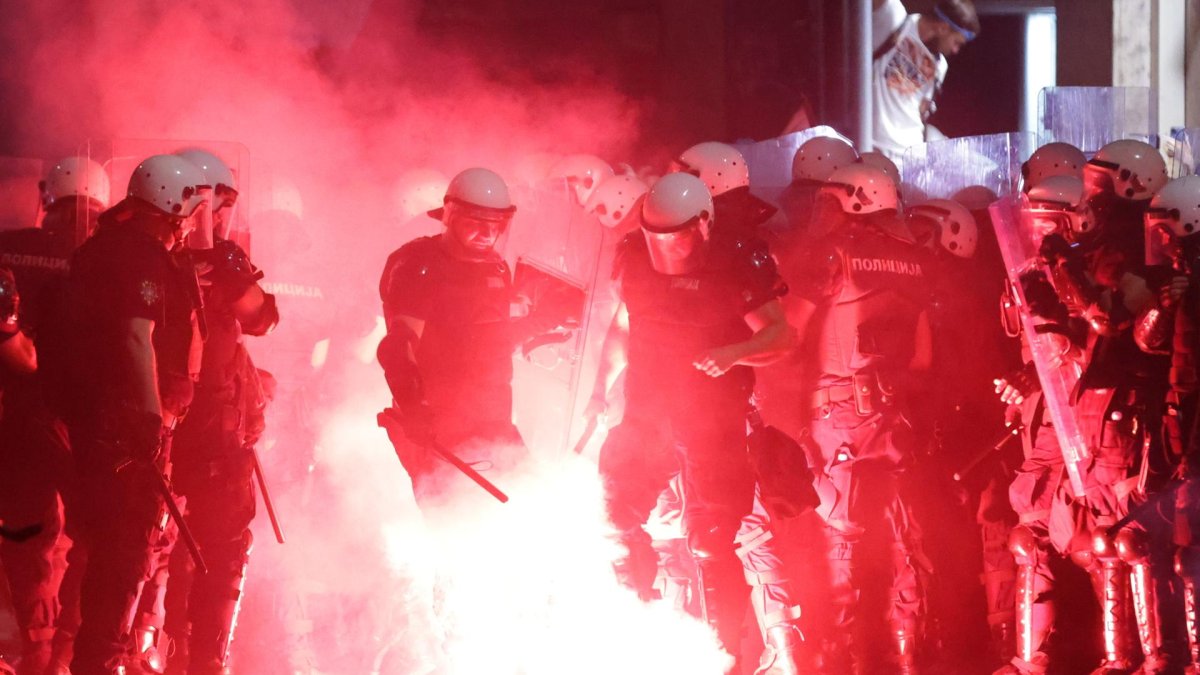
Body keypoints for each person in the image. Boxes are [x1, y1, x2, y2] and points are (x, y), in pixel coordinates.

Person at [592, 172, 795, 670]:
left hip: (714, 420)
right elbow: (624, 324)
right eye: (656, 238)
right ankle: (638, 639)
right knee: (616, 521)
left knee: (710, 541)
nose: (667, 249)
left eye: (676, 237)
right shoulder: (633, 257)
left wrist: (735, 353)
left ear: (703, 224)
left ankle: (725, 658)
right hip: (647, 413)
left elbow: (780, 336)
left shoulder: (738, 259)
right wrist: (598, 388)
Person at [63, 154, 209, 675]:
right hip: (125, 432)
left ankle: (90, 657)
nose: (189, 224)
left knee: (107, 551)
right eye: (185, 213)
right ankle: (98, 663)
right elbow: (136, 337)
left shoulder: (102, 249)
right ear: (168, 207)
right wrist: (148, 418)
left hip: (98, 425)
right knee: (124, 555)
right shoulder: (140, 259)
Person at [788, 163, 931, 673]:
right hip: (894, 416)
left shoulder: (836, 254)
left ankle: (850, 663)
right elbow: (922, 359)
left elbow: (787, 331)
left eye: (830, 201)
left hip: (840, 410)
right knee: (897, 537)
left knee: (842, 535)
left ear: (855, 203)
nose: (819, 211)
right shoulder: (914, 257)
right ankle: (904, 659)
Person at [146, 148, 277, 675]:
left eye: (223, 207)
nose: (218, 218)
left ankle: (207, 662)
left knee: (222, 555)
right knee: (148, 551)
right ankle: (138, 654)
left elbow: (263, 318)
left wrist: (229, 272)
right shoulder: (150, 258)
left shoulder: (226, 260)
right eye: (210, 205)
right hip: (164, 431)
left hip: (220, 438)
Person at [0, 156, 110, 675]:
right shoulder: (104, 257)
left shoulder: (8, 246)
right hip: (76, 418)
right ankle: (73, 647)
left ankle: (38, 651)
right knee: (100, 531)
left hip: (14, 416)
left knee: (27, 538)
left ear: (49, 199)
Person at [377, 167, 528, 505]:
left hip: (494, 420)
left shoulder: (496, 268)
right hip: (438, 428)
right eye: (476, 222)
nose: (488, 233)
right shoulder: (419, 264)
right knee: (453, 525)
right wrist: (415, 408)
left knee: (525, 504)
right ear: (450, 216)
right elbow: (398, 346)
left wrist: (539, 325)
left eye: (496, 224)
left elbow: (486, 340)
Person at [872, 0, 980, 160]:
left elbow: (922, 109)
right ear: (942, 28)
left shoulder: (940, 66)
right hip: (875, 147)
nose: (956, 50)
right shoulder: (895, 20)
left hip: (911, 156)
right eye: (956, 42)